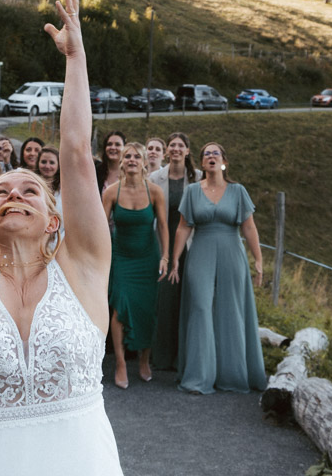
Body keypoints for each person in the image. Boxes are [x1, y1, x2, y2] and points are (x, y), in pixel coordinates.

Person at [0, 0, 123, 475]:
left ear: (54, 219)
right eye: (1, 191)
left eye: (30, 190)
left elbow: (78, 154)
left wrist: (75, 55)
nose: (14, 194)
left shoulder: (83, 269)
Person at [168, 142, 266, 395]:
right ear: (201, 163)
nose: (211, 157)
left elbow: (249, 227)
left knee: (230, 308)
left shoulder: (238, 191)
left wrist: (258, 260)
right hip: (200, 251)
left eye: (216, 153)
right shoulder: (191, 191)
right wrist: (175, 258)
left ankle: (232, 374)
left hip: (231, 252)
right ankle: (200, 375)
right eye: (207, 154)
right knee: (200, 306)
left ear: (224, 161)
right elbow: (183, 227)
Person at [103, 142, 168, 388]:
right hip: (120, 257)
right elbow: (100, 226)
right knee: (119, 308)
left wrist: (165, 257)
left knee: (146, 309)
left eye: (136, 157)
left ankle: (144, 359)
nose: (132, 160)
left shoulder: (155, 192)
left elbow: (162, 226)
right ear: (122, 162)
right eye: (127, 156)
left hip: (147, 257)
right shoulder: (111, 192)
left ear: (143, 162)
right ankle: (120, 363)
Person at [147, 132, 198, 370]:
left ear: (187, 151)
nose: (176, 149)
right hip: (163, 243)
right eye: (172, 145)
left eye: (181, 145)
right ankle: (162, 356)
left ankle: (185, 358)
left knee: (188, 300)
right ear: (167, 151)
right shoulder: (155, 178)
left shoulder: (198, 178)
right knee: (165, 300)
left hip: (192, 244)